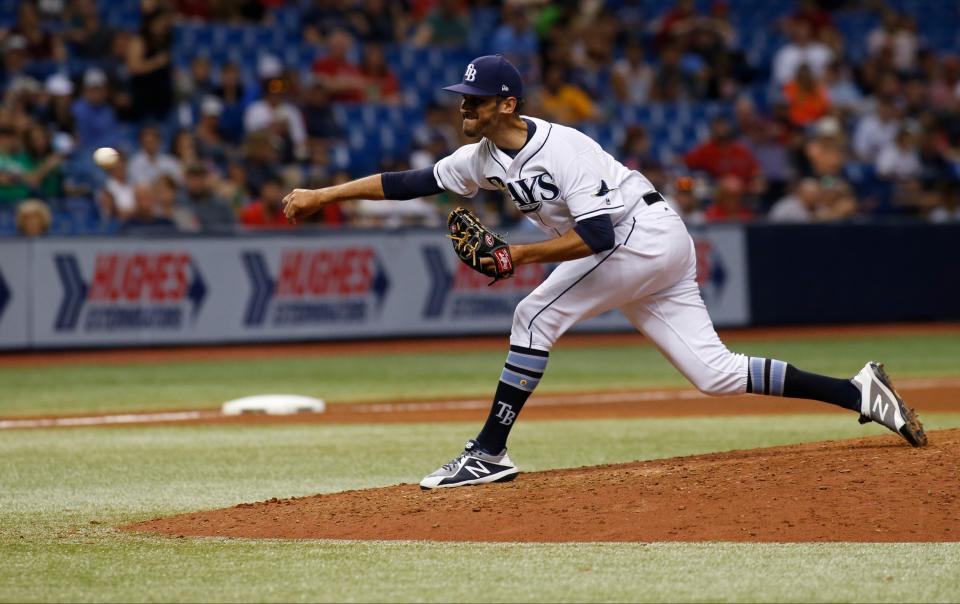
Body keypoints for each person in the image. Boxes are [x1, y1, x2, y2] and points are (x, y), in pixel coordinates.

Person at [281, 55, 928, 489]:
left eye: (476, 100)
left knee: (534, 312)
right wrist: (322, 195)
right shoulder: (480, 156)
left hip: (640, 237)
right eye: (463, 99)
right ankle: (859, 392)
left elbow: (596, 235)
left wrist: (519, 257)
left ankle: (488, 454)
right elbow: (409, 182)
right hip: (649, 247)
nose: (465, 107)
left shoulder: (564, 147)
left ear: (508, 103)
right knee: (715, 373)